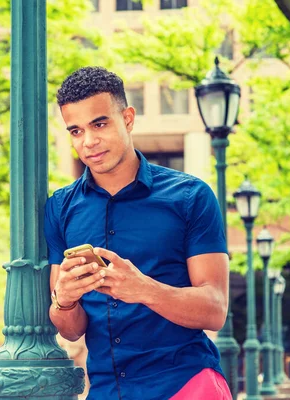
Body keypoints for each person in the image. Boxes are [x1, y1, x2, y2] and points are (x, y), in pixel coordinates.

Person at [45, 66, 232, 400]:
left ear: (128, 118)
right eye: (76, 131)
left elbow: (215, 309)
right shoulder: (60, 207)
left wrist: (143, 288)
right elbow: (71, 331)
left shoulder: (190, 197)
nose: (88, 141)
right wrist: (65, 299)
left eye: (99, 124)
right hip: (106, 391)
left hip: (185, 385)